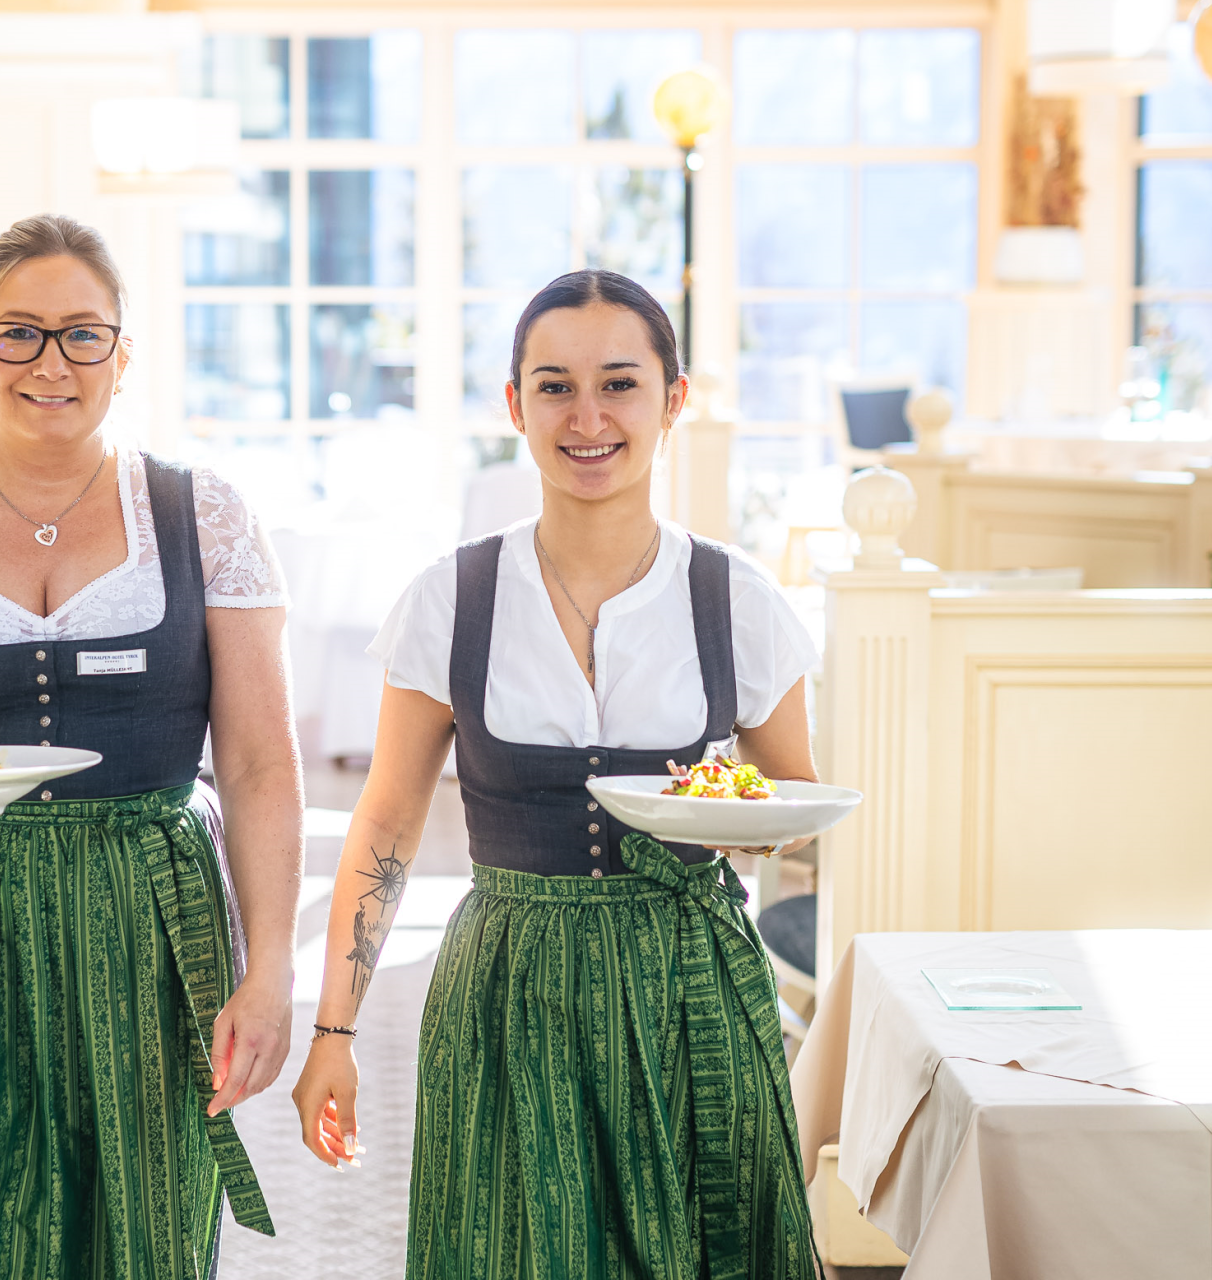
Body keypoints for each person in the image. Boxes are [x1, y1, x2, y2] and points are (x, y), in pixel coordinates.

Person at [291, 269, 821, 1279]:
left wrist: (735, 819)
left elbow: (791, 803)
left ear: (673, 399)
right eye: (554, 387)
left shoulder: (738, 600)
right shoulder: (450, 598)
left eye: (620, 384)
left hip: (688, 985)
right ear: (514, 405)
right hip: (509, 987)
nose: (587, 418)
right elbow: (388, 822)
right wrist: (333, 1030)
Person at [0, 214, 301, 1279]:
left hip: (147, 913)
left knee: (134, 1229)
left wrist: (271, 972)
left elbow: (261, 765)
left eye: (83, 334)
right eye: (17, 332)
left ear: (123, 356)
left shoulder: (202, 514)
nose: (51, 362)